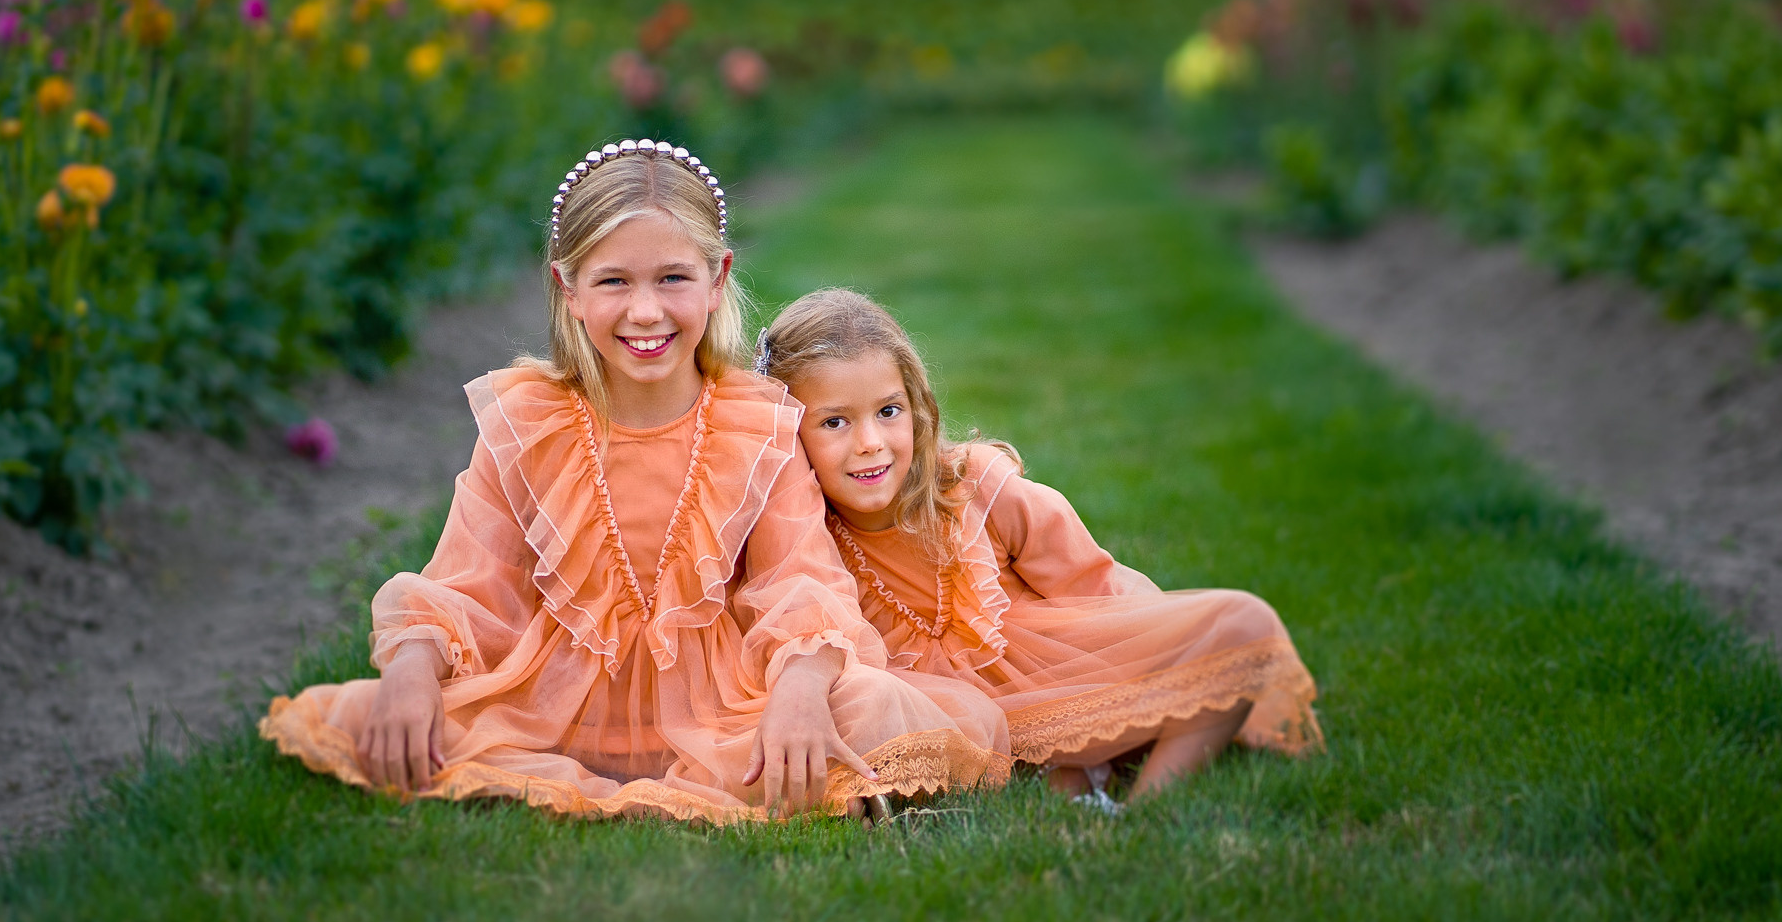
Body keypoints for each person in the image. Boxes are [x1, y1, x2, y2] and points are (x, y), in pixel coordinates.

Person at [261, 143, 1010, 821]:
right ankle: (561, 759)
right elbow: (470, 582)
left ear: (717, 280)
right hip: (554, 702)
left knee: (871, 708)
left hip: (720, 709)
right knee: (380, 715)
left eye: (672, 278)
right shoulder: (530, 422)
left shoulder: (758, 424)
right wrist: (412, 669)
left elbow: (801, 580)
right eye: (613, 281)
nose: (645, 311)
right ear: (568, 288)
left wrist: (802, 690)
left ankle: (772, 751)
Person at [757, 288, 1322, 807]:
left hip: (1052, 681)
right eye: (835, 422)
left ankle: (1143, 810)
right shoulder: (803, 536)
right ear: (791, 433)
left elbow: (1099, 591)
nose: (870, 443)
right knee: (867, 711)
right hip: (950, 715)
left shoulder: (974, 487)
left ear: (918, 407)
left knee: (1243, 624)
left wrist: (1162, 660)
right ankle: (1075, 774)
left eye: (888, 411)